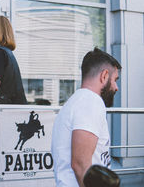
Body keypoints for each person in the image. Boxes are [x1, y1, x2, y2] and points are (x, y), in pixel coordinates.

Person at [51, 47, 121, 187]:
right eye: (115, 79)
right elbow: (80, 164)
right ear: (104, 76)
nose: (116, 87)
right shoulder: (90, 101)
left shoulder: (76, 102)